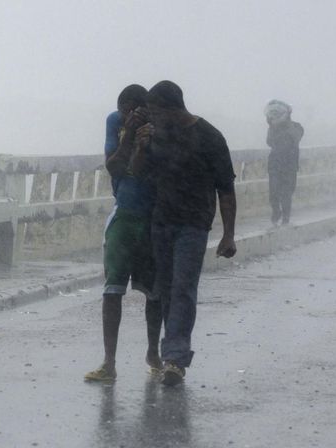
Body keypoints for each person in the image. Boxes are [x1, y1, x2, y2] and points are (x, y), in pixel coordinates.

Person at [131, 81, 237, 386]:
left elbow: (226, 189)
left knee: (183, 288)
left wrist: (228, 234)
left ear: (171, 108)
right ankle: (172, 354)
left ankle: (175, 358)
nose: (153, 118)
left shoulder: (209, 137)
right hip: (161, 222)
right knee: (165, 288)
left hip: (193, 225)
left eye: (155, 111)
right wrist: (139, 145)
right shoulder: (156, 134)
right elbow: (137, 171)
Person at [84, 85, 163, 382]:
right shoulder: (115, 123)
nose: (128, 115)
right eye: (124, 110)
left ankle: (153, 352)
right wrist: (128, 134)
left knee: (155, 293)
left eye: (134, 111)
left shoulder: (160, 127)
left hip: (154, 217)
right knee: (112, 289)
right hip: (125, 214)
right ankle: (109, 362)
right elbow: (113, 167)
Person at [264, 100, 304, 226]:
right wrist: (272, 125)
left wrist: (284, 125)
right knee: (273, 192)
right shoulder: (273, 128)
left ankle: (286, 217)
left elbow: (294, 138)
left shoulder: (296, 127)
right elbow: (269, 142)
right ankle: (276, 212)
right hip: (275, 165)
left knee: (286, 193)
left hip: (289, 166)